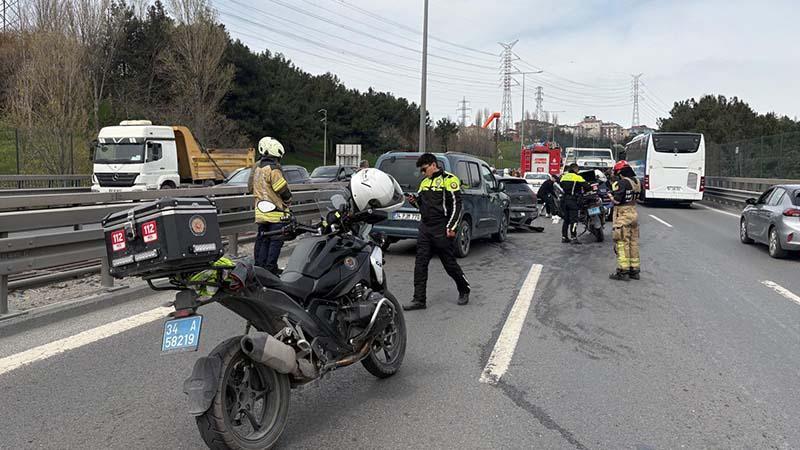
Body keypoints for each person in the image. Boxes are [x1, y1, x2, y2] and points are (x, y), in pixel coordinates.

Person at [404, 153, 470, 310]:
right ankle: (419, 299)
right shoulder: (424, 183)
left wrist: (452, 227)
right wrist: (414, 201)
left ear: (433, 165)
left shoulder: (450, 180)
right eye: (421, 170)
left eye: (424, 169)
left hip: (442, 227)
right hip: (425, 228)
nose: (422, 172)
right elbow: (422, 206)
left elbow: (457, 206)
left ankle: (464, 289)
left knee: (449, 264)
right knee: (420, 264)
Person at [251, 137, 292, 274]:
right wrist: (288, 199)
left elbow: (251, 186)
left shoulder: (257, 169)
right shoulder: (273, 170)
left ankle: (259, 267)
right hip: (275, 212)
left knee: (262, 239)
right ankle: (270, 269)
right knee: (276, 241)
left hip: (261, 211)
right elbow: (282, 189)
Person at [607, 160, 641, 280]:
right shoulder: (637, 182)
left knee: (621, 242)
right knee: (633, 242)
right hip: (633, 212)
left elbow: (617, 201)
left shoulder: (622, 182)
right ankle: (634, 270)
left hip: (623, 214)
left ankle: (623, 271)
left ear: (620, 172)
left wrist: (610, 195)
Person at [558, 163, 588, 244]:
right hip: (573, 201)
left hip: (564, 201)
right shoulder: (577, 177)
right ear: (575, 169)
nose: (578, 171)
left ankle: (564, 237)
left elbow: (560, 184)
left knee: (566, 220)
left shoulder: (564, 177)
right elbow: (587, 186)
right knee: (574, 220)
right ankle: (574, 237)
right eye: (578, 169)